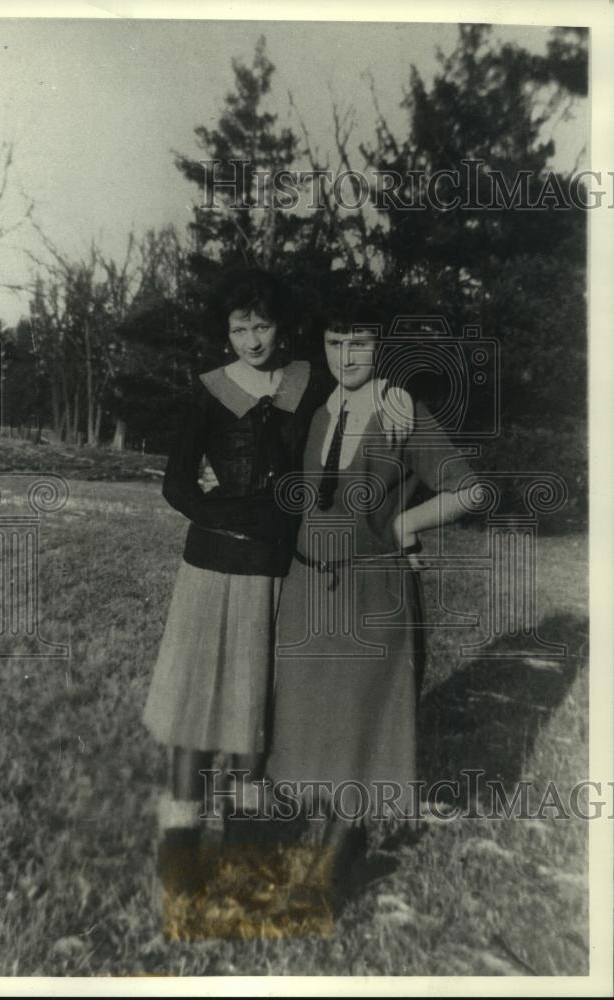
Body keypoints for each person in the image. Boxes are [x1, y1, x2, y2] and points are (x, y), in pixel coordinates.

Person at [142, 269, 414, 902]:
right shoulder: (209, 390)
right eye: (239, 327)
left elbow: (356, 390)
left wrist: (396, 392)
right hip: (210, 571)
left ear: (282, 327)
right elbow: (176, 485)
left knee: (252, 719)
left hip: (275, 576)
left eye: (262, 325)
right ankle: (180, 866)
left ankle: (241, 862)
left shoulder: (308, 383)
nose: (251, 339)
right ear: (225, 331)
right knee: (193, 717)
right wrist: (230, 517)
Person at [265, 294, 482, 905]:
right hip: (309, 589)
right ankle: (338, 848)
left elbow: (469, 489)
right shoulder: (317, 408)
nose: (346, 355)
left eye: (359, 342)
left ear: (379, 346)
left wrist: (405, 526)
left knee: (359, 723)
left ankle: (329, 874)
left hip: (372, 591)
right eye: (335, 342)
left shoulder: (401, 412)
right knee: (311, 723)